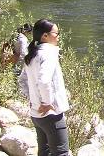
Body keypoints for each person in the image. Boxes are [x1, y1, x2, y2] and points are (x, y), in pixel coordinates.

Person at [18, 19, 70, 156]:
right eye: (56, 33)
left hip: (36, 114)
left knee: (44, 152)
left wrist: (33, 100)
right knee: (61, 152)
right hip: (51, 114)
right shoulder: (49, 52)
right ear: (45, 36)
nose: (58, 36)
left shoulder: (33, 54)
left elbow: (22, 81)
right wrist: (47, 103)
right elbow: (44, 80)